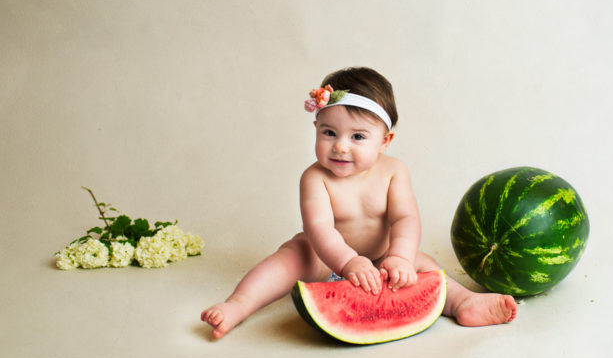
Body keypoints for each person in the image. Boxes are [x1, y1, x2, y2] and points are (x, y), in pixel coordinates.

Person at [201, 67, 517, 339]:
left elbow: (405, 219)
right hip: (323, 259)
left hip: (382, 257)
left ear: (384, 141)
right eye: (329, 132)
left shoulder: (394, 171)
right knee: (287, 259)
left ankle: (462, 303)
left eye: (357, 137)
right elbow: (320, 228)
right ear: (316, 129)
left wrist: (400, 257)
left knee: (425, 267)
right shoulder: (314, 178)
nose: (340, 147)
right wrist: (348, 263)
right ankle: (239, 304)